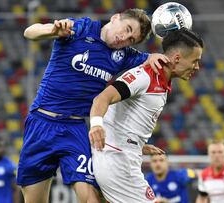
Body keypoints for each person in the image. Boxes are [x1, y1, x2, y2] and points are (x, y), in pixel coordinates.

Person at [17, 8, 170, 203]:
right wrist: (54, 30)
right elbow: (30, 31)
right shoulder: (82, 28)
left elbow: (149, 59)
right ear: (115, 18)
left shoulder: (124, 55)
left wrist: (153, 56)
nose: (125, 38)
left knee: (91, 197)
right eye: (127, 28)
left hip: (74, 129)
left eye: (132, 39)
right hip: (41, 124)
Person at [89, 28, 203, 203]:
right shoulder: (145, 76)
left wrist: (137, 144)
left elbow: (121, 118)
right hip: (118, 162)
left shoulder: (161, 83)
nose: (197, 67)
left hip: (123, 155)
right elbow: (102, 98)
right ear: (177, 59)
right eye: (195, 61)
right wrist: (96, 125)